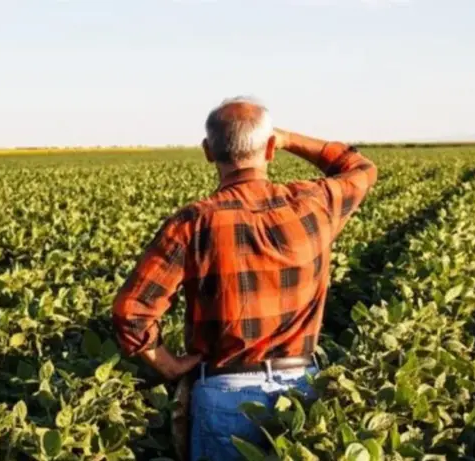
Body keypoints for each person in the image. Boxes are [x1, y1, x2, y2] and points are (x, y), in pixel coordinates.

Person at [111, 96, 378, 460]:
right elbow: (359, 167)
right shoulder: (314, 203)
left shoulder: (193, 223)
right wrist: (289, 139)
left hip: (223, 393)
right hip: (301, 392)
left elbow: (132, 310)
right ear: (270, 148)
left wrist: (168, 364)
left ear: (208, 151)